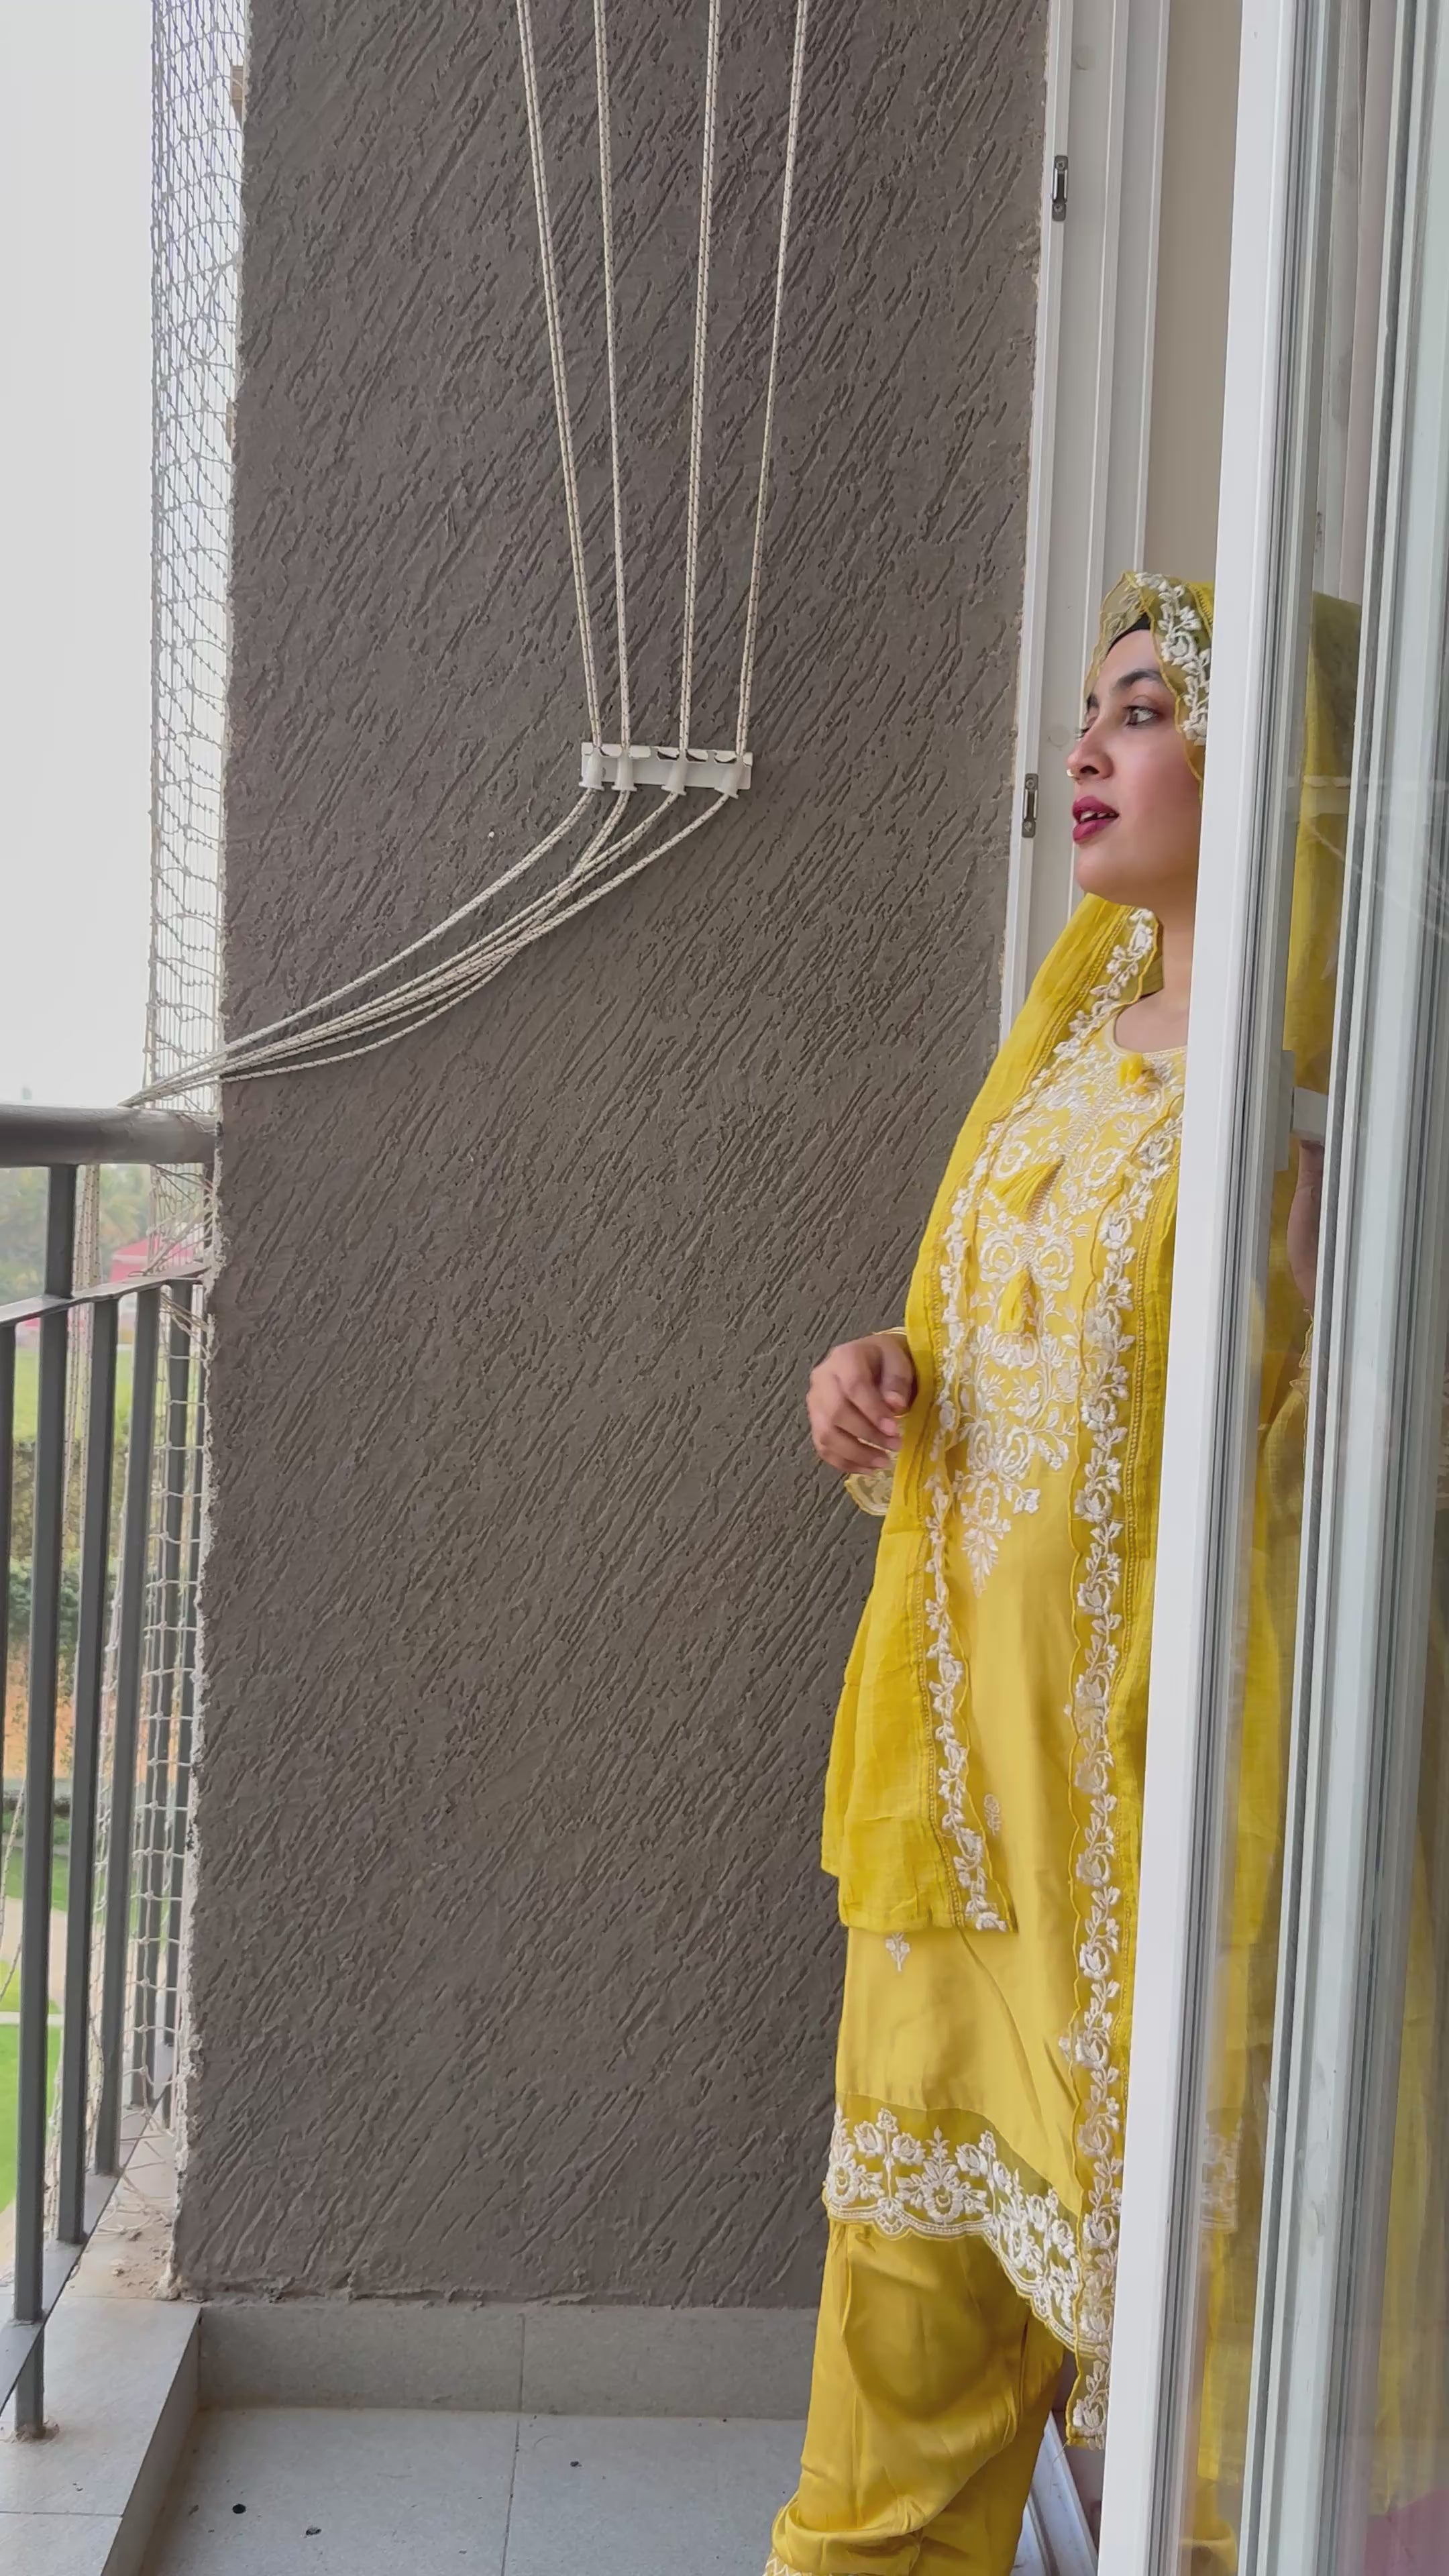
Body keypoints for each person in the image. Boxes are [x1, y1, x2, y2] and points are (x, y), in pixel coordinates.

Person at [763, 572, 1358, 2576]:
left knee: (1196, 2413)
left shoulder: (1316, 1091)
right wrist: (882, 1380)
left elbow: (1343, 1460)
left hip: (1157, 1828)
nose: (1088, 750)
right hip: (967, 1820)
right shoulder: (1078, 1044)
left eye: (1149, 710)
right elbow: (1011, 1370)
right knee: (899, 2364)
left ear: (1274, 759)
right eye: (1092, 710)